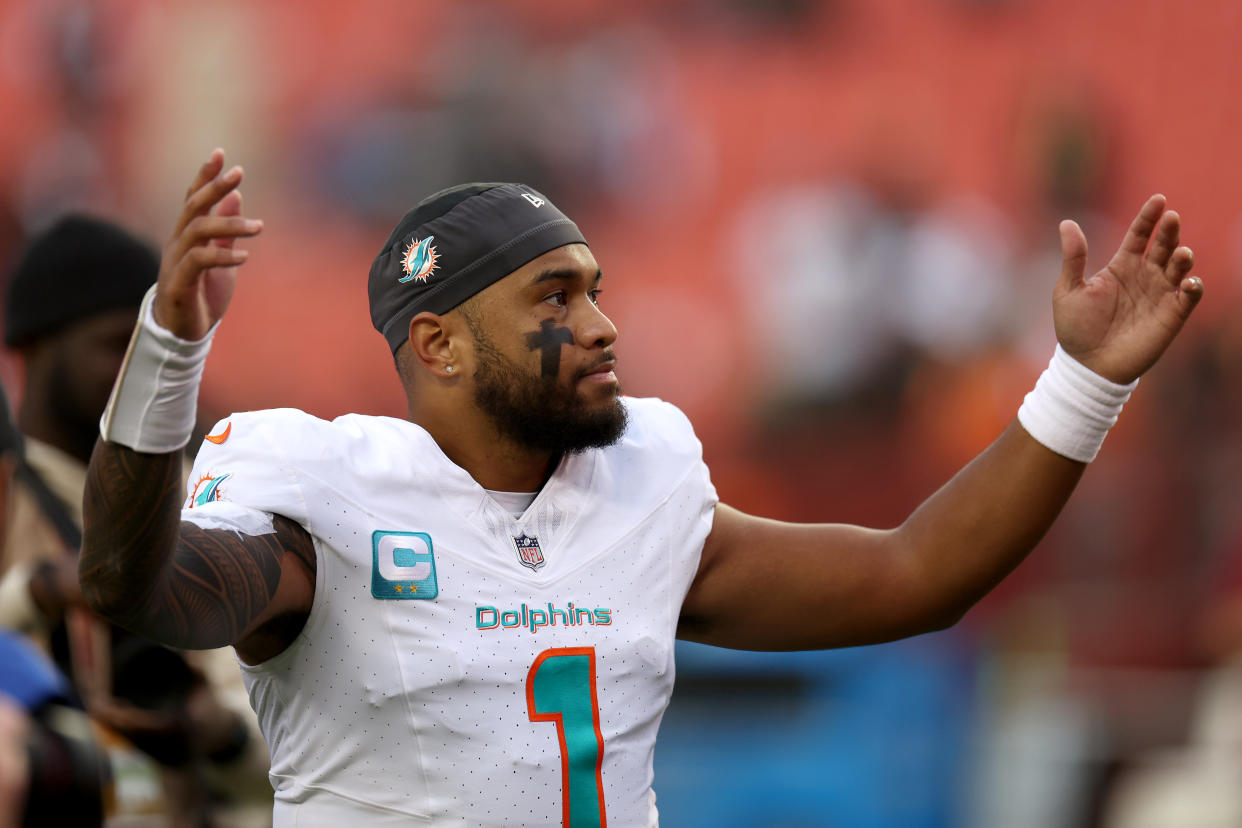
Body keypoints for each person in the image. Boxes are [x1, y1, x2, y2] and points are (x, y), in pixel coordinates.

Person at [79, 148, 1203, 827]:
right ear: (442, 344)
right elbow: (137, 585)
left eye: (596, 289)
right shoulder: (321, 494)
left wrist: (1085, 384)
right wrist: (170, 355)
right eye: (555, 300)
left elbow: (918, 573)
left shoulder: (640, 487)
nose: (603, 324)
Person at [0, 214, 269, 825]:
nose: (143, 368)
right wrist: (38, 594)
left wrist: (215, 733)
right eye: (120, 344)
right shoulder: (5, 490)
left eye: (155, 344)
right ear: (36, 347)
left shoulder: (212, 494)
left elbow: (295, 753)